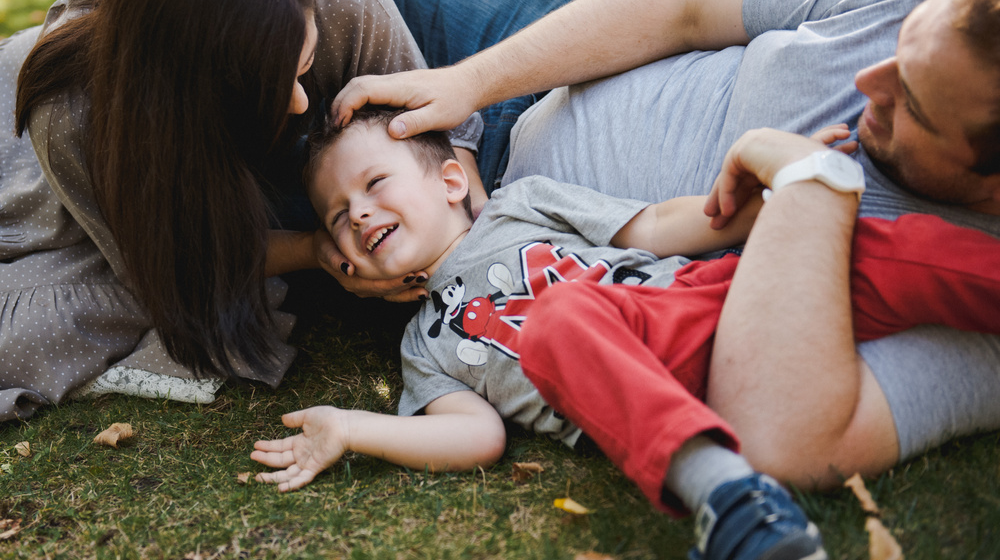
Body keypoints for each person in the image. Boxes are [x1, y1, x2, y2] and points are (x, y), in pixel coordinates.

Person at [319, 0, 1000, 487]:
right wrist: (471, 86)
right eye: (899, 49)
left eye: (908, 98)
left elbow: (787, 441)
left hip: (502, 250)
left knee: (286, 175)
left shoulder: (971, 281)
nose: (868, 82)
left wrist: (805, 183)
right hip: (564, 66)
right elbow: (688, 5)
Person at [251, 108, 1000, 560]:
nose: (357, 213)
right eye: (336, 215)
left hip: (704, 303)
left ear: (451, 180)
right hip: (636, 392)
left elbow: (658, 227)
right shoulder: (425, 345)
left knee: (875, 252)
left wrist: (779, 198)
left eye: (373, 184)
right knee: (560, 322)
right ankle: (730, 496)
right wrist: (356, 427)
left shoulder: (525, 203)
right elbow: (473, 438)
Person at [0, 0, 484, 421]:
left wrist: (473, 242)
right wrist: (314, 250)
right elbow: (178, 260)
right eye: (272, 89)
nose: (302, 104)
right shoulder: (70, 117)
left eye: (307, 65)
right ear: (187, 101)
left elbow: (440, 141)